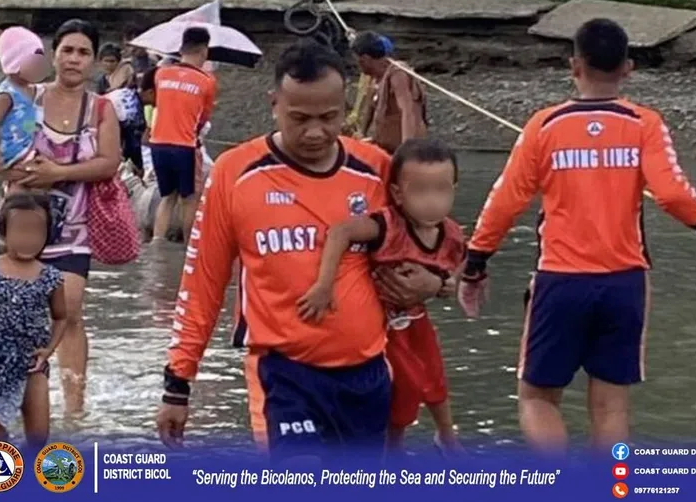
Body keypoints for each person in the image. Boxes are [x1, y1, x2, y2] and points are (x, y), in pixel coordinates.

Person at [457, 18, 696, 453]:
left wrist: (476, 262)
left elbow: (505, 201)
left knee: (537, 398)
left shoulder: (544, 126)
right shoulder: (644, 123)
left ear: (575, 65)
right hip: (624, 282)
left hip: (560, 279)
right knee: (611, 409)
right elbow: (671, 192)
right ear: (627, 68)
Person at [155, 39, 449, 460]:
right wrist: (178, 384)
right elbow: (202, 282)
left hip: (367, 375)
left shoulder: (376, 171)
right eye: (300, 118)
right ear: (274, 104)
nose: (316, 132)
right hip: (284, 375)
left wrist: (434, 282)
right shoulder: (235, 174)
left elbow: (434, 244)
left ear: (345, 106)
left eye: (329, 117)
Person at [0, 19, 122, 416]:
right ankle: (14, 394)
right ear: (52, 54)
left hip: (74, 227)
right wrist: (15, 173)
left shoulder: (101, 108)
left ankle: (74, 407)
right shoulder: (25, 95)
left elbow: (109, 163)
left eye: (83, 52)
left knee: (70, 310)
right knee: (14, 313)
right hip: (21, 226)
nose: (74, 59)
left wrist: (57, 174)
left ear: (94, 61)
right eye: (67, 50)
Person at [298, 138, 467, 454]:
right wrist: (324, 285)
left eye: (442, 190)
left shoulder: (451, 232)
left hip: (415, 319)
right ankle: (394, 448)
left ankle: (446, 435)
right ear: (398, 195)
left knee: (435, 376)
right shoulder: (389, 226)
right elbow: (340, 232)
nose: (433, 202)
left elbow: (460, 259)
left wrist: (448, 283)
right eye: (421, 191)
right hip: (382, 324)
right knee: (403, 388)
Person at [0, 192, 67, 449]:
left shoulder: (51, 277)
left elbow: (61, 318)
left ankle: (33, 483)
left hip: (32, 363)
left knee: (39, 437)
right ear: (4, 232)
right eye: (22, 230)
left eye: (36, 232)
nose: (29, 238)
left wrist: (48, 350)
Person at [149, 27, 216, 242]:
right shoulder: (207, 81)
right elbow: (203, 119)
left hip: (157, 144)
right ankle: (189, 246)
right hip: (185, 145)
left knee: (167, 197)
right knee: (190, 198)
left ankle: (157, 244)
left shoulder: (161, 74)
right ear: (204, 51)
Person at [0, 26, 50, 179]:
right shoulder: (7, 94)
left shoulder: (33, 89)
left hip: (28, 142)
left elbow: (30, 118)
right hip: (12, 147)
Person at [352, 31, 426, 153]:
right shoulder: (375, 78)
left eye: (358, 61)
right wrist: (362, 134)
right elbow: (371, 107)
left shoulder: (397, 74)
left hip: (404, 149)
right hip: (385, 147)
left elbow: (408, 110)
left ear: (365, 59)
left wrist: (407, 150)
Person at [103, 65, 154, 172]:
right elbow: (133, 145)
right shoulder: (131, 107)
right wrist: (139, 168)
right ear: (150, 92)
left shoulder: (126, 93)